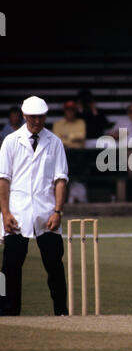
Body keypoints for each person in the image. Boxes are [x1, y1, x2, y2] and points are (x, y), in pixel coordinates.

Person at [0, 96, 69, 316]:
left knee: (54, 265)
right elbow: (3, 179)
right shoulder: (11, 141)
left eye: (40, 116)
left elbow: (60, 179)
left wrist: (57, 211)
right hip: (17, 212)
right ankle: (7, 312)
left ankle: (61, 311)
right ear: (24, 116)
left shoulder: (54, 142)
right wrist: (5, 213)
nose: (37, 121)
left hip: (46, 211)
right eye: (33, 117)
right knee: (9, 267)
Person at [53, 101, 87, 203]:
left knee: (78, 164)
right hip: (63, 153)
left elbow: (81, 136)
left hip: (78, 154)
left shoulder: (81, 122)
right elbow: (56, 139)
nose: (70, 112)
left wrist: (66, 137)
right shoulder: (58, 124)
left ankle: (77, 195)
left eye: (72, 110)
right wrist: (72, 137)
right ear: (64, 111)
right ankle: (64, 197)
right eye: (68, 110)